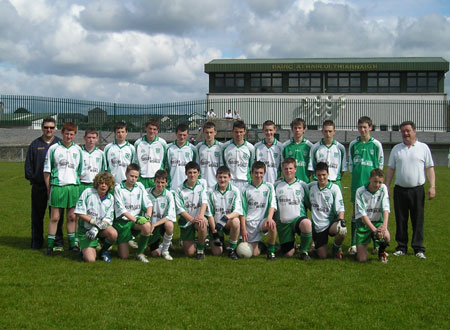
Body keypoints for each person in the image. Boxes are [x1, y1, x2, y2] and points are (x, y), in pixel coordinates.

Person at [385, 121, 435, 259]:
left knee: (417, 219)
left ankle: (418, 248)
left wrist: (432, 186)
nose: (405, 133)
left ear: (414, 131)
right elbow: (390, 169)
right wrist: (387, 186)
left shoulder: (423, 148)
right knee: (401, 219)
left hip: (417, 190)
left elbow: (429, 168)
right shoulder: (396, 149)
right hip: (400, 190)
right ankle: (401, 247)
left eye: (408, 131)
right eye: (403, 131)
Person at [25, 117, 64, 250]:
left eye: (51, 127)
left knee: (57, 216)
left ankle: (57, 242)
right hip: (39, 186)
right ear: (42, 128)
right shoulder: (35, 145)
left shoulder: (60, 144)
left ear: (55, 129)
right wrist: (34, 179)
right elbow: (28, 166)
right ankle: (36, 242)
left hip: (57, 186)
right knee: (37, 215)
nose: (49, 130)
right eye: (46, 127)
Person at [43, 122, 83, 255]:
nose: (68, 136)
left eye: (71, 134)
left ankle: (73, 245)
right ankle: (50, 246)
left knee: (72, 217)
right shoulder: (54, 148)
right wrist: (49, 187)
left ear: (75, 135)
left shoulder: (78, 150)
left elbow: (79, 171)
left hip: (72, 187)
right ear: (62, 133)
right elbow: (47, 171)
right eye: (66, 134)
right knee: (55, 217)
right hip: (58, 186)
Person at [347, 116, 384, 256]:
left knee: (374, 213)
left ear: (370, 128)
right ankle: (354, 244)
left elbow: (380, 166)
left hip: (373, 186)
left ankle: (376, 244)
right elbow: (351, 164)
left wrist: (378, 182)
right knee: (356, 214)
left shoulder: (376, 144)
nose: (362, 130)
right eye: (360, 127)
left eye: (365, 127)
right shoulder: (353, 144)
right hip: (357, 184)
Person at [274, 158, 313, 261]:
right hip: (283, 224)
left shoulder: (303, 185)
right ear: (282, 169)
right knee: (288, 254)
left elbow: (309, 204)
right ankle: (292, 243)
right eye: (286, 169)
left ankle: (304, 251)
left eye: (291, 168)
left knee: (306, 223)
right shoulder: (276, 186)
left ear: (295, 169)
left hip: (297, 220)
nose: (288, 171)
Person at [113, 163, 153, 263]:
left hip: (135, 221)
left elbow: (149, 204)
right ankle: (111, 242)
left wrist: (147, 217)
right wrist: (137, 220)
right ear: (126, 174)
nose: (133, 179)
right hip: (123, 222)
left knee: (147, 226)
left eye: (136, 177)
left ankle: (140, 253)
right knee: (124, 256)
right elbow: (122, 210)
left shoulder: (140, 186)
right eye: (131, 176)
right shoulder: (118, 188)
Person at [74, 172, 117, 262]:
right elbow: (79, 212)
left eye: (106, 183)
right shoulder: (88, 192)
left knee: (113, 234)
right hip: (86, 230)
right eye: (101, 183)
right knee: (91, 260)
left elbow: (108, 219)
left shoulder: (110, 198)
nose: (103, 185)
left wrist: (96, 228)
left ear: (110, 186)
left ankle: (103, 251)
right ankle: (83, 248)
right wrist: (93, 222)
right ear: (97, 183)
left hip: (100, 228)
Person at [308, 162, 346, 259]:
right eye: (319, 175)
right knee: (322, 256)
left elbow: (341, 208)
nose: (321, 177)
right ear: (315, 175)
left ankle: (336, 248)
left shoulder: (334, 188)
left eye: (324, 175)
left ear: (328, 174)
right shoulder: (311, 187)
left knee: (342, 229)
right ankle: (316, 243)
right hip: (318, 227)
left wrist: (341, 221)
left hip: (330, 224)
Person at [241, 162, 277, 260]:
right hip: (249, 223)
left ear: (264, 173)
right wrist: (243, 229)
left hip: (262, 222)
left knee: (272, 224)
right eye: (256, 173)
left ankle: (271, 251)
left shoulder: (269, 187)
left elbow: (272, 205)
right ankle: (261, 246)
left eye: (261, 173)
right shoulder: (245, 188)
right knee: (253, 253)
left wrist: (269, 218)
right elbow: (242, 211)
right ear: (251, 173)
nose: (258, 175)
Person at [206, 166, 242, 260]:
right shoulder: (210, 191)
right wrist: (214, 231)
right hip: (215, 224)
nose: (222, 179)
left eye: (225, 177)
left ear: (229, 177)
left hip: (227, 222)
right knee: (217, 253)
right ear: (216, 177)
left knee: (236, 221)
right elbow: (209, 213)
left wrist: (225, 218)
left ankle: (232, 250)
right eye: (220, 177)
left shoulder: (235, 190)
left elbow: (238, 211)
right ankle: (214, 239)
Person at [174, 161, 208, 260]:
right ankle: (196, 241)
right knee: (189, 253)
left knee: (202, 223)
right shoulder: (178, 189)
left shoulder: (202, 184)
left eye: (194, 172)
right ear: (186, 173)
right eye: (190, 173)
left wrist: (201, 216)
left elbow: (204, 202)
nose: (192, 175)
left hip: (198, 218)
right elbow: (180, 209)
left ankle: (201, 250)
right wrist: (192, 220)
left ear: (199, 173)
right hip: (187, 221)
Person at [355, 169, 390, 263]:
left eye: (380, 182)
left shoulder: (383, 188)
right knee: (362, 259)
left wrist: (384, 227)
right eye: (375, 181)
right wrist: (374, 230)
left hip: (378, 222)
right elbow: (363, 215)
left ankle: (381, 252)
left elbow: (386, 209)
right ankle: (360, 250)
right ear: (370, 179)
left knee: (386, 236)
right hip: (364, 225)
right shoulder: (360, 191)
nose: (377, 185)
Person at [146, 170, 176, 261]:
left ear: (166, 183)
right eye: (158, 182)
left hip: (160, 225)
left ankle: (165, 250)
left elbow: (169, 216)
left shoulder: (169, 195)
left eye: (162, 182)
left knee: (169, 224)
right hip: (149, 226)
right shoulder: (146, 192)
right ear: (154, 181)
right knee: (155, 254)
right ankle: (160, 245)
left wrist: (154, 225)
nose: (160, 185)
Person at [308, 120, 347, 188]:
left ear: (334, 132)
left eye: (330, 131)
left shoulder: (340, 148)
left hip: (335, 183)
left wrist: (334, 177)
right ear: (322, 131)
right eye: (325, 131)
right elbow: (312, 167)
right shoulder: (315, 147)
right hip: (319, 182)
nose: (328, 134)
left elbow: (342, 170)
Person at [133, 119, 167, 189]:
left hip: (157, 179)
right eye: (150, 128)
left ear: (157, 130)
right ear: (146, 128)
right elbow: (135, 161)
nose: (152, 131)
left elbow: (164, 161)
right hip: (141, 178)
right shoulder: (138, 143)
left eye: (154, 129)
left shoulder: (162, 143)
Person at [222, 120, 255, 191]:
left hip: (245, 181)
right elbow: (223, 164)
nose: (238, 134)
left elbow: (251, 165)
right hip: (230, 181)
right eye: (236, 132)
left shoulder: (250, 148)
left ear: (244, 132)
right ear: (232, 132)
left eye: (241, 132)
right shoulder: (225, 147)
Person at [165, 123, 197, 191]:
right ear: (176, 134)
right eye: (180, 134)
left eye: (184, 135)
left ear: (187, 134)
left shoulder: (192, 149)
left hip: (187, 186)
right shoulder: (168, 148)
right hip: (172, 186)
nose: (182, 137)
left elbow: (195, 168)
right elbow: (166, 168)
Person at [282, 118, 313, 183]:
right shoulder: (285, 146)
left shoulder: (310, 146)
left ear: (304, 129)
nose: (297, 130)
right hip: (289, 182)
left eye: (299, 128)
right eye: (295, 128)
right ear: (292, 129)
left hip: (304, 181)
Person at [79, 128, 107, 195]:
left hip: (95, 185)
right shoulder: (79, 152)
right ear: (84, 138)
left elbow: (103, 172)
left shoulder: (101, 154)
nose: (91, 140)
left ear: (97, 139)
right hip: (81, 184)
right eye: (89, 137)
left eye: (93, 138)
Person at [196, 121, 223, 190]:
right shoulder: (199, 147)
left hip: (216, 184)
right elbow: (197, 166)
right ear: (203, 133)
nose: (209, 135)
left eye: (211, 132)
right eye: (207, 132)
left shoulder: (221, 147)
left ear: (215, 132)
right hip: (202, 184)